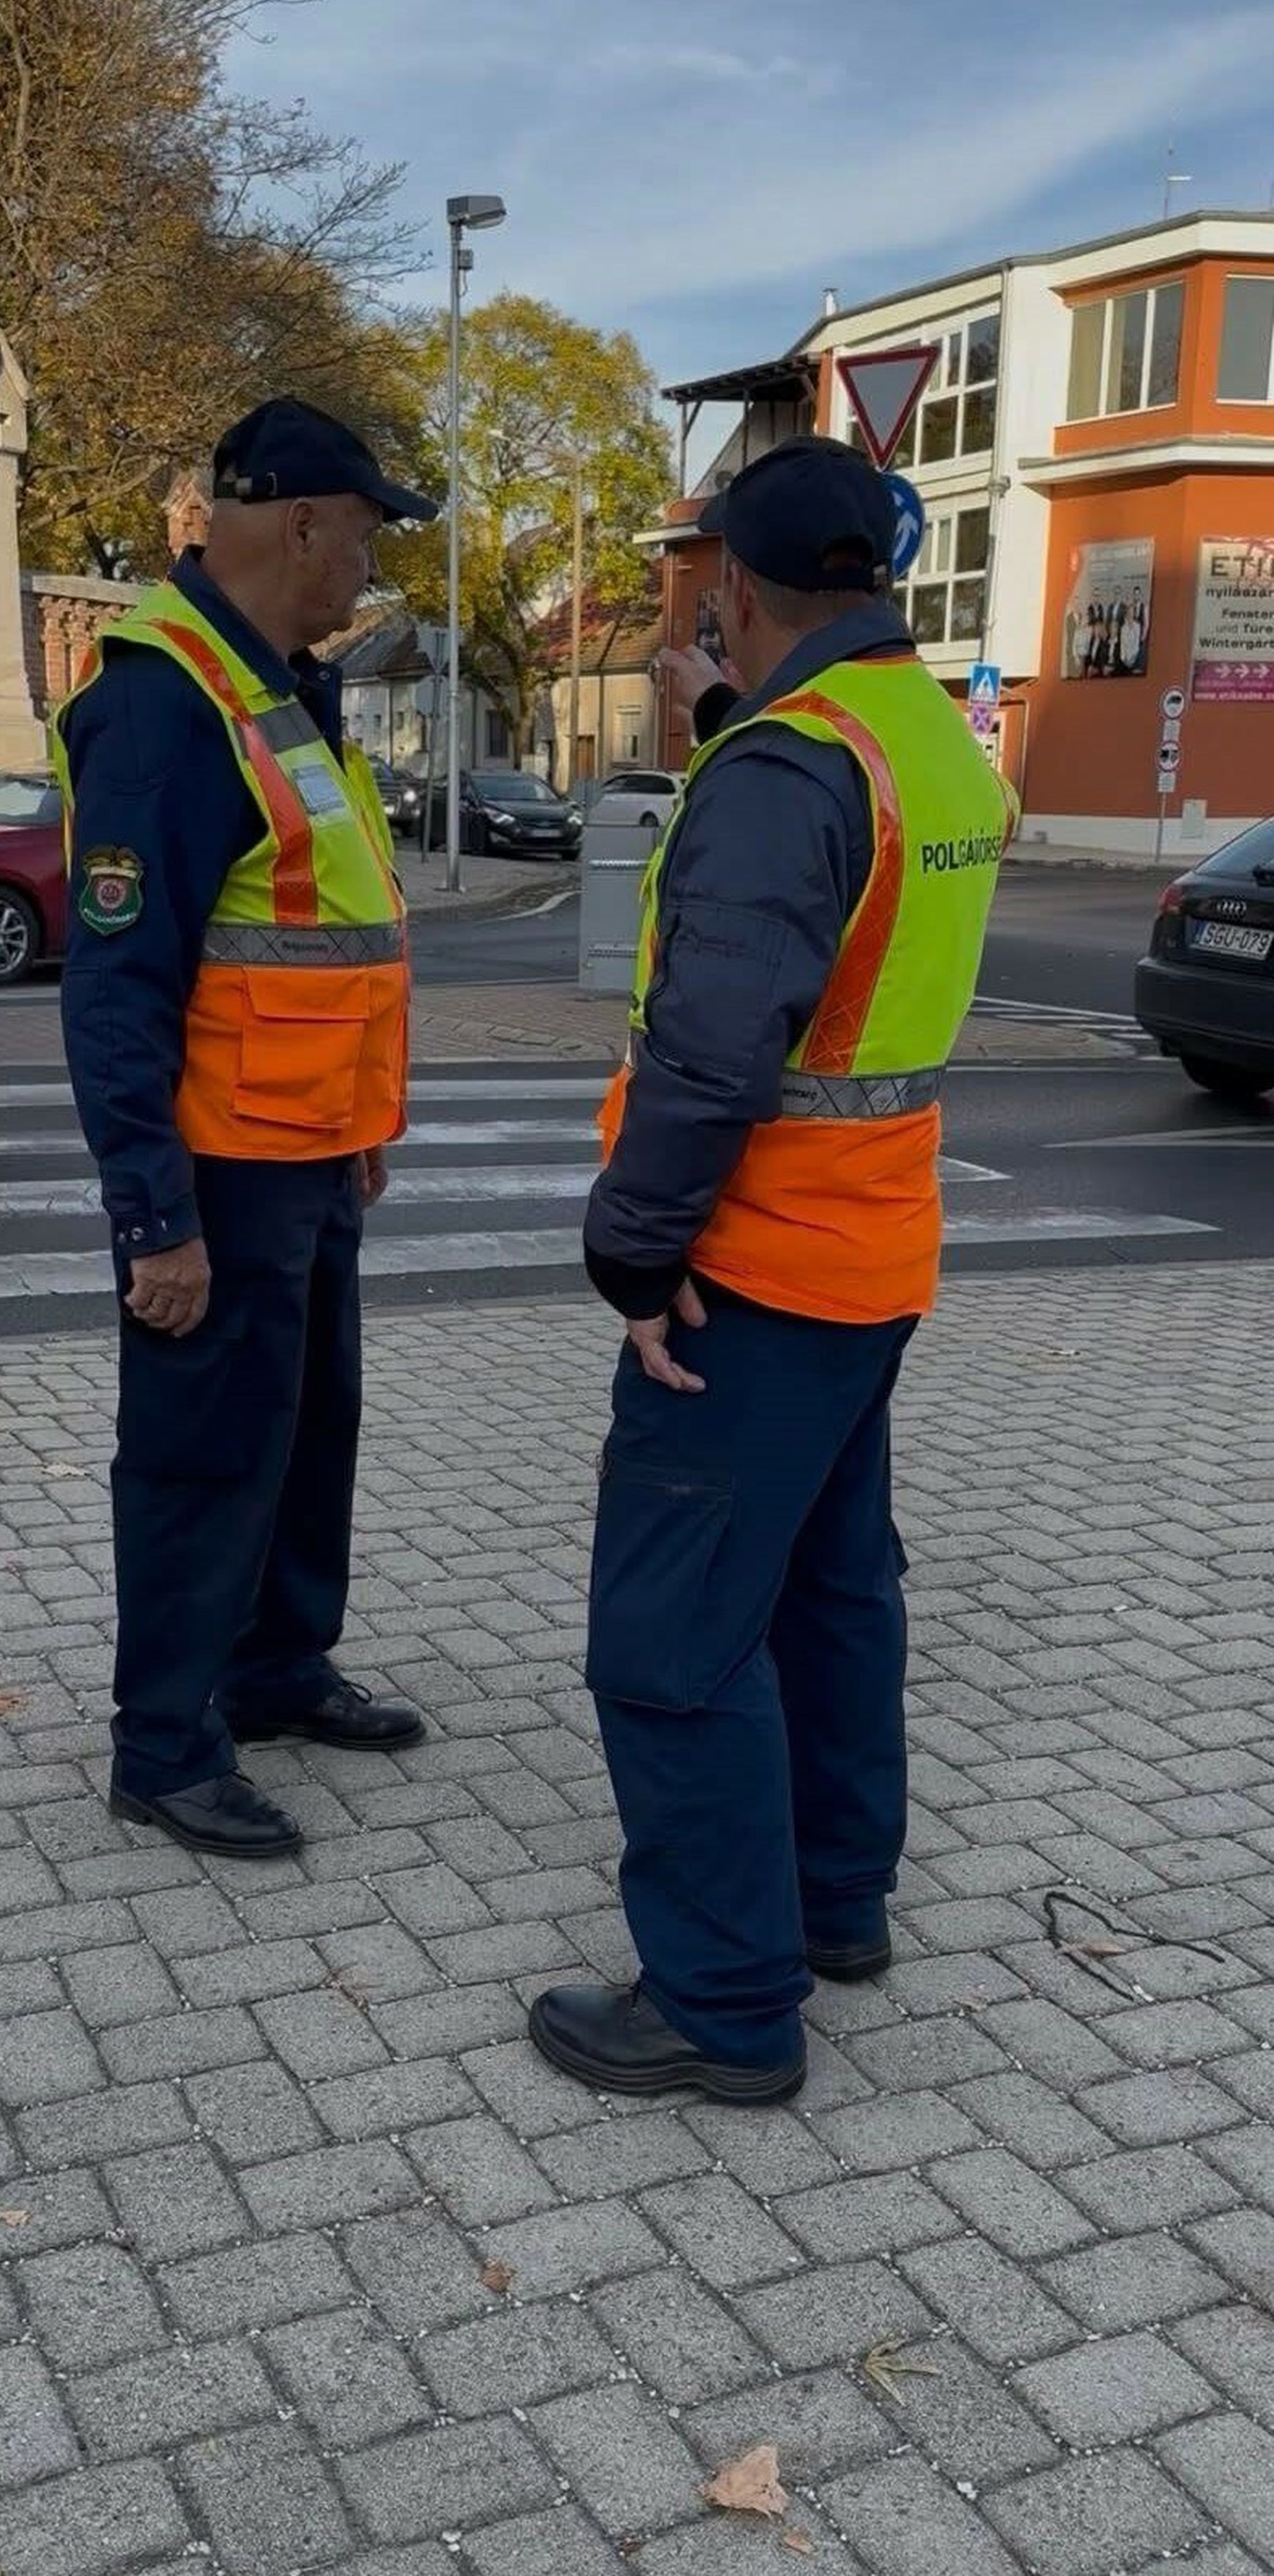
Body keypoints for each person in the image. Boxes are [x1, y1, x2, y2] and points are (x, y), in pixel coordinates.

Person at [529, 434, 1013, 2103]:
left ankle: (725, 2004)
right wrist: (736, 724)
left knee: (673, 1638)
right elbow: (850, 914)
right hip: (873, 1253)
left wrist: (632, 1253)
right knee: (832, 1593)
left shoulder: (782, 771)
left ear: (732, 584)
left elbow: (716, 1049)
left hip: (750, 1272)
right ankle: (833, 1906)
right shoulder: (928, 739)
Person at [56, 398, 437, 1860]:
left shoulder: (277, 684)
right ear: (303, 524)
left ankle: (278, 1666)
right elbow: (118, 988)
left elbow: (325, 933)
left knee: (305, 1434)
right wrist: (155, 1217)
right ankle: (163, 1743)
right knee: (200, 1456)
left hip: (308, 1155)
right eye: (368, 533)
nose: (373, 562)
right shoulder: (168, 700)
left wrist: (359, 1122)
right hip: (218, 1170)